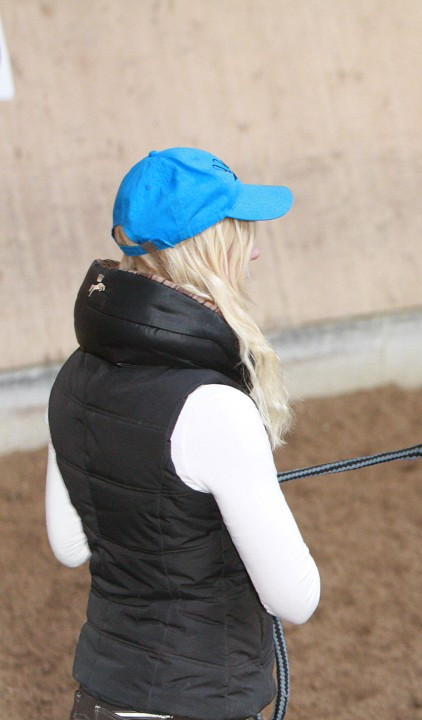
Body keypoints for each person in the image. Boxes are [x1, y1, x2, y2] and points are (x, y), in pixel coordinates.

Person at [45, 147, 320, 720]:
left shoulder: (73, 374)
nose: (256, 248)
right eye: (240, 234)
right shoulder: (215, 407)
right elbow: (295, 598)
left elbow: (70, 545)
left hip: (99, 697)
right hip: (197, 701)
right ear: (205, 250)